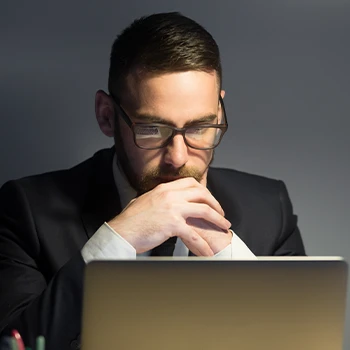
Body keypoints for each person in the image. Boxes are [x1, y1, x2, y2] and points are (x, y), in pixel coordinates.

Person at [0, 11, 305, 350]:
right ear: (106, 115)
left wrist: (232, 262)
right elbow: (16, 343)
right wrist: (116, 241)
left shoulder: (270, 208)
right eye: (151, 129)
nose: (177, 157)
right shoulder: (25, 210)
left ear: (219, 114)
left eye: (200, 128)